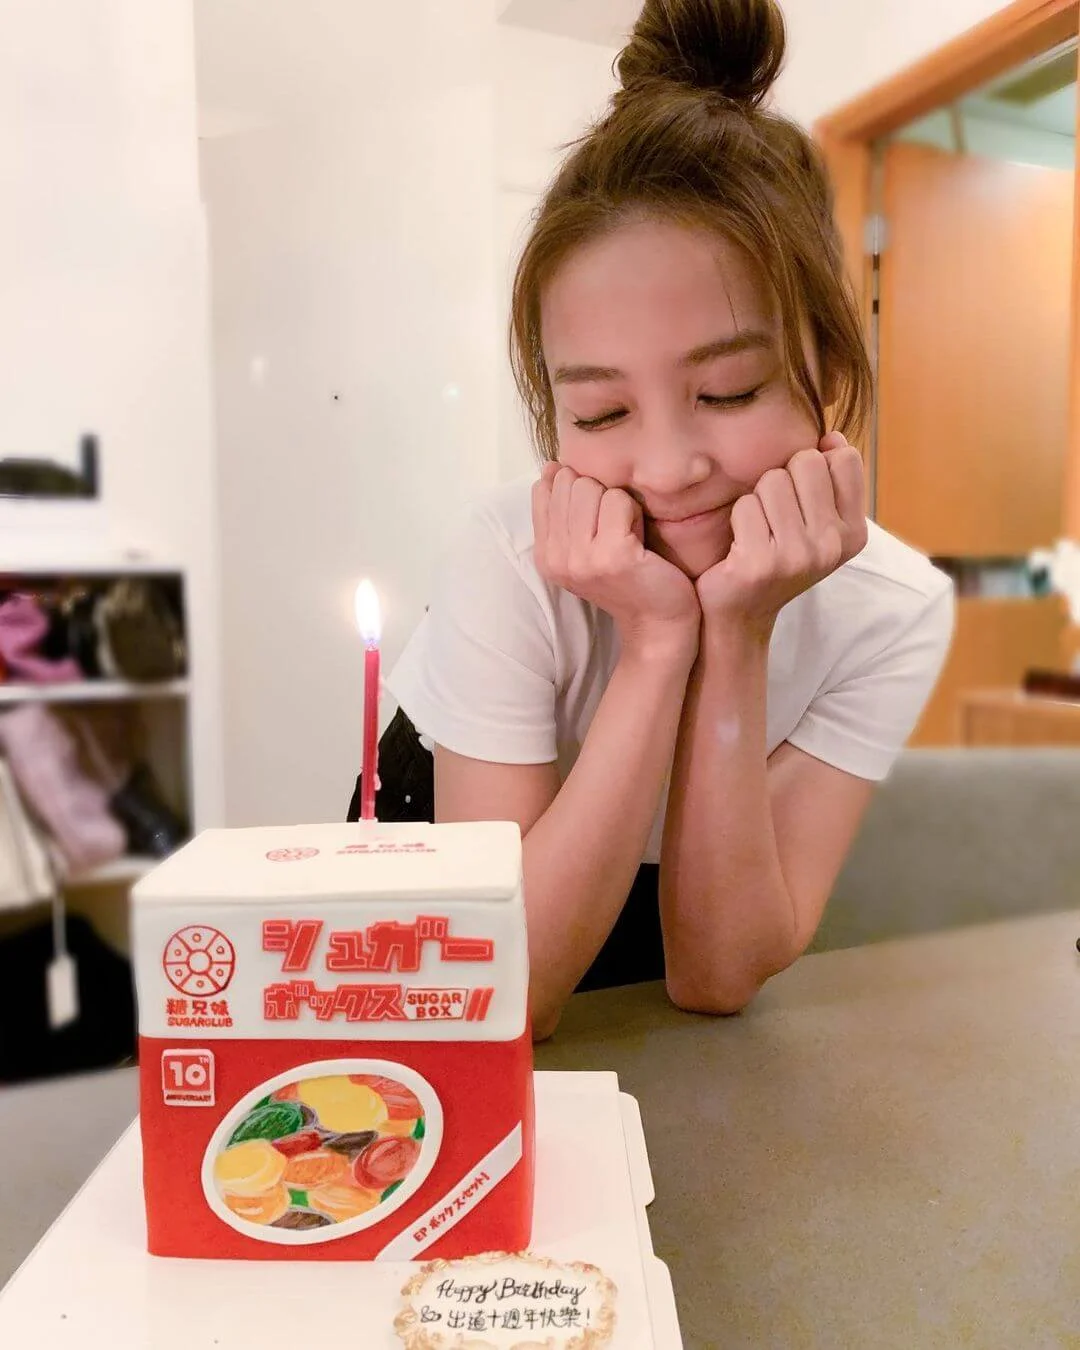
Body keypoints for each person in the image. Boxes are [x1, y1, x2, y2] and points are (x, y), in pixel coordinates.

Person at [384, 0, 953, 1039]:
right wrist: (654, 642)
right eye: (601, 412)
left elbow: (718, 974)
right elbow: (499, 998)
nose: (667, 469)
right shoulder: (506, 559)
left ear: (829, 373)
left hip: (673, 904)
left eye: (728, 391)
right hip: (459, 893)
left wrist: (735, 630)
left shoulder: (892, 610)